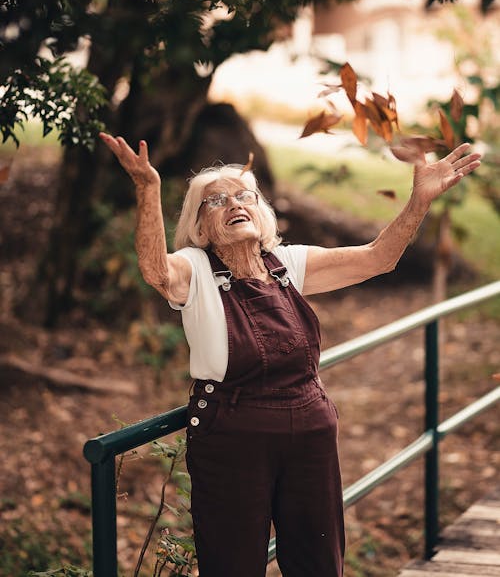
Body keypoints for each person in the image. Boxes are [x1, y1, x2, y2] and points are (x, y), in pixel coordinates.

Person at [100, 132, 480, 577]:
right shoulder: (195, 269)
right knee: (233, 565)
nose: (235, 204)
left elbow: (379, 258)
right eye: (216, 201)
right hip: (234, 437)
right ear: (201, 227)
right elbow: (155, 269)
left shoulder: (289, 263)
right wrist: (148, 190)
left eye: (245, 195)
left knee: (318, 564)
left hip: (311, 432)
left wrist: (420, 201)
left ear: (261, 210)